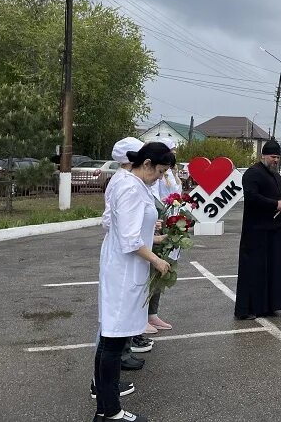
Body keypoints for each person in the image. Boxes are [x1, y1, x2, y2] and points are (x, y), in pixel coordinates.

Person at [94, 142, 174, 422]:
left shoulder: (132, 183)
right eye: (160, 172)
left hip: (124, 267)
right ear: (148, 163)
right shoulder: (130, 187)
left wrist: (158, 239)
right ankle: (111, 411)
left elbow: (131, 230)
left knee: (110, 339)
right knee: (113, 343)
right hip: (125, 270)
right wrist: (157, 260)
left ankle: (105, 409)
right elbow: (129, 240)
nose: (161, 178)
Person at [234, 139, 281, 319]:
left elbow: (277, 195)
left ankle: (269, 304)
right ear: (263, 156)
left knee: (273, 267)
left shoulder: (275, 175)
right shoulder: (252, 173)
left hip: (274, 228)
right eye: (273, 157)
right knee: (254, 268)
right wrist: (276, 203)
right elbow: (252, 197)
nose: (275, 160)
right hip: (256, 230)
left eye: (278, 157)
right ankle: (249, 308)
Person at [147, 137, 182, 333]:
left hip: (170, 220)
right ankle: (144, 315)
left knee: (162, 269)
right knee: (152, 269)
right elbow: (157, 199)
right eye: (172, 150)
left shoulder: (170, 172)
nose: (174, 153)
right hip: (159, 222)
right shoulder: (156, 175)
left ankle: (153, 313)